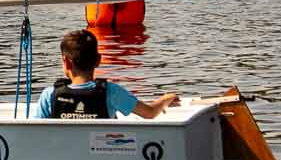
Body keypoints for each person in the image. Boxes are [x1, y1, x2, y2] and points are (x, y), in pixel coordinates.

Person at [36, 28, 182, 119]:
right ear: (98, 60)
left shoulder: (49, 95)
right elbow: (149, 113)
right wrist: (166, 99)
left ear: (66, 62)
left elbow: (35, 132)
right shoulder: (111, 92)